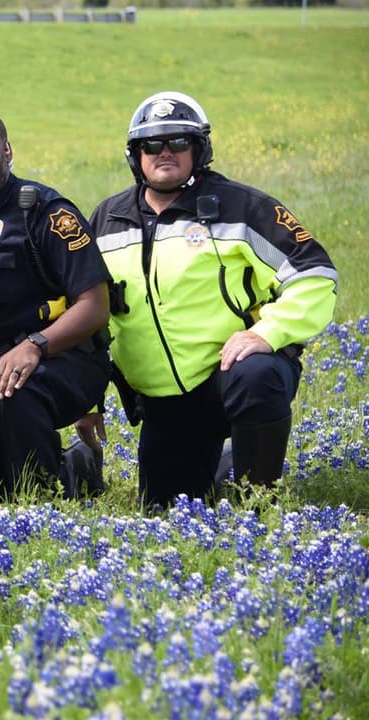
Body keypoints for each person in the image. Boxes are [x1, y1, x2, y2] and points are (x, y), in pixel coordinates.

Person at [77, 91, 338, 507]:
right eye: (152, 145)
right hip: (165, 400)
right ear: (135, 155)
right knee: (164, 507)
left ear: (200, 149)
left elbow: (314, 274)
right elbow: (87, 312)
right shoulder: (106, 220)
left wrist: (268, 333)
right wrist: (88, 397)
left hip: (229, 375)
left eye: (179, 142)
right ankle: (225, 462)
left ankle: (254, 499)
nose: (165, 152)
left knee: (257, 374)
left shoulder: (242, 207)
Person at [0, 110, 112, 501]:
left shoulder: (45, 211)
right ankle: (74, 467)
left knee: (27, 488)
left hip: (63, 361)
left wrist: (34, 346)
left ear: (7, 150)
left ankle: (48, 500)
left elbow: (95, 305)